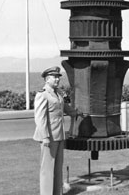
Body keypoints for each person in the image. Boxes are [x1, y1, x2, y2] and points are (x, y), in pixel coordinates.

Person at [33, 66, 82, 195]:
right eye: (55, 77)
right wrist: (44, 137)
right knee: (47, 169)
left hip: (59, 135)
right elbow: (40, 118)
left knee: (57, 168)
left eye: (58, 77)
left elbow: (64, 108)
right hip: (48, 137)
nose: (57, 79)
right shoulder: (42, 94)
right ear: (47, 79)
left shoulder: (58, 93)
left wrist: (76, 113)